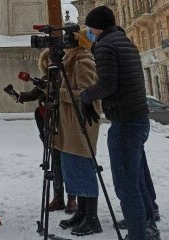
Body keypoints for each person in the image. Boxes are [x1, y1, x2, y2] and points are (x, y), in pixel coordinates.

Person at [82, 6, 160, 240]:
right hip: (139, 119)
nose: (89, 33)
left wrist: (85, 96)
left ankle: (138, 235)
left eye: (89, 29)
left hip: (125, 123)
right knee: (136, 179)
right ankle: (147, 226)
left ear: (97, 27)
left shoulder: (106, 45)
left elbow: (107, 85)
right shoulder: (125, 41)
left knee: (126, 186)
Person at [4, 48, 77, 214]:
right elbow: (33, 94)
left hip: (64, 122)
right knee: (55, 161)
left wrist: (51, 88)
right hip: (47, 122)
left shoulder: (66, 77)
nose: (49, 62)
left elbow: (65, 94)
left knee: (67, 161)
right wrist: (17, 95)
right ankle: (58, 198)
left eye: (51, 59)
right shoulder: (45, 78)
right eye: (46, 60)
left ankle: (72, 199)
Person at [54, 28, 102, 236]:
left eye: (68, 39)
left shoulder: (83, 60)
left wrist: (60, 93)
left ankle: (92, 218)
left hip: (81, 125)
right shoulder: (70, 60)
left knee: (83, 170)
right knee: (74, 171)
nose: (65, 43)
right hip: (70, 124)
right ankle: (82, 213)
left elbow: (88, 94)